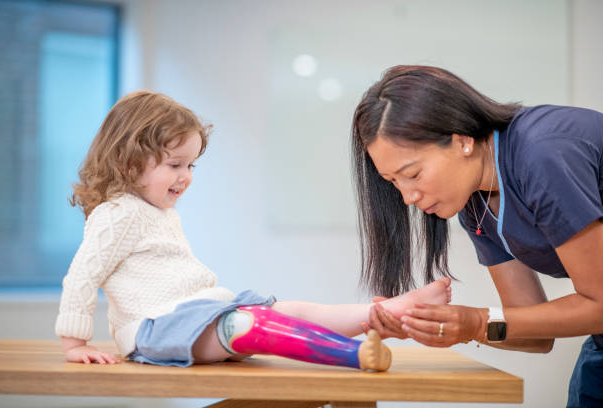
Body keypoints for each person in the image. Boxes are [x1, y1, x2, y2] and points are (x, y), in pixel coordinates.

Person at [55, 90, 452, 372]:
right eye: (175, 165)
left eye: (191, 166)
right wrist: (76, 343)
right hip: (158, 332)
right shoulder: (116, 214)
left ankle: (384, 310)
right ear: (127, 163)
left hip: (199, 317)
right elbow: (82, 277)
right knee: (251, 325)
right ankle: (353, 354)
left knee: (285, 309)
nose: (185, 177)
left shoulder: (155, 212)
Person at [350, 65, 603, 406]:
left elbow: (602, 305)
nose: (407, 197)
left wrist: (475, 322)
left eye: (412, 174)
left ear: (462, 141)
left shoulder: (543, 155)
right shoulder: (476, 206)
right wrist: (446, 328)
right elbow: (537, 336)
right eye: (394, 181)